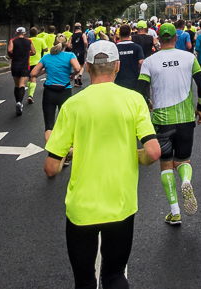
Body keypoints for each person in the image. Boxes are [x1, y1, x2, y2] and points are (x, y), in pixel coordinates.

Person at [44, 41, 161, 289]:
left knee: (85, 280)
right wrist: (135, 155)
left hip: (81, 210)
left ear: (86, 67)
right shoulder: (134, 100)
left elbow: (51, 168)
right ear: (117, 66)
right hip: (120, 204)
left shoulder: (71, 106)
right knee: (115, 275)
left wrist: (74, 153)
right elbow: (153, 152)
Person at [136, 23, 201, 226]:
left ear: (157, 39)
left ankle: (175, 212)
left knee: (165, 164)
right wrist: (199, 108)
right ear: (176, 38)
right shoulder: (189, 58)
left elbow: (140, 89)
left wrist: (148, 102)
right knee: (183, 161)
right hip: (185, 119)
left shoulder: (149, 62)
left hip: (162, 121)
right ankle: (186, 181)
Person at [30, 40, 82, 144]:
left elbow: (33, 73)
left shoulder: (46, 57)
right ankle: (64, 152)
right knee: (66, 123)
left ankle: (51, 151)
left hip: (49, 92)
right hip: (65, 91)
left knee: (49, 125)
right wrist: (72, 74)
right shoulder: (70, 55)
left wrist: (45, 70)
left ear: (54, 44)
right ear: (66, 44)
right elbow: (77, 67)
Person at [7, 27, 34, 116]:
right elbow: (34, 52)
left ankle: (17, 101)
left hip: (15, 65)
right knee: (22, 85)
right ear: (24, 33)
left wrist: (14, 54)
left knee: (16, 85)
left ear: (16, 33)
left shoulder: (13, 41)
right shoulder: (29, 41)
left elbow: (9, 50)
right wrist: (27, 53)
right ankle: (20, 102)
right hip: (25, 65)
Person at [114, 25, 145, 91]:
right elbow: (141, 62)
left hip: (119, 81)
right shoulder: (137, 47)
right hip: (133, 80)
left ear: (119, 34)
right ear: (130, 34)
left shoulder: (115, 48)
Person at [28, 31, 48, 104]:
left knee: (29, 78)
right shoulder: (40, 40)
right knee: (34, 78)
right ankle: (30, 95)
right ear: (37, 33)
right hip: (37, 62)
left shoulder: (28, 40)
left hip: (28, 62)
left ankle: (29, 92)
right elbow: (46, 49)